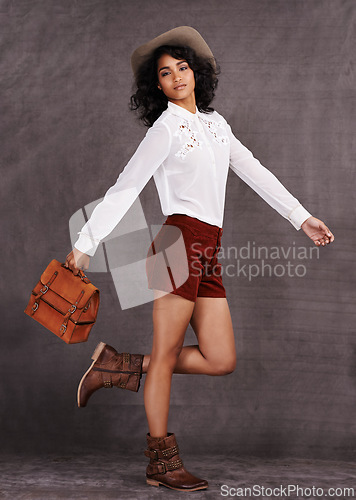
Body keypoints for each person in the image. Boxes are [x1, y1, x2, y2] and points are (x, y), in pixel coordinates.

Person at [64, 26, 335, 492]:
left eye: (182, 68)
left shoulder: (216, 123)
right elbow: (126, 187)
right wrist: (86, 243)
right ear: (158, 86)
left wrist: (301, 217)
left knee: (221, 357)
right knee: (166, 356)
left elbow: (253, 170)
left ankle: (117, 366)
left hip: (209, 246)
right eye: (165, 73)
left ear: (196, 72)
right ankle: (160, 462)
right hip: (178, 243)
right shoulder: (165, 128)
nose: (176, 77)